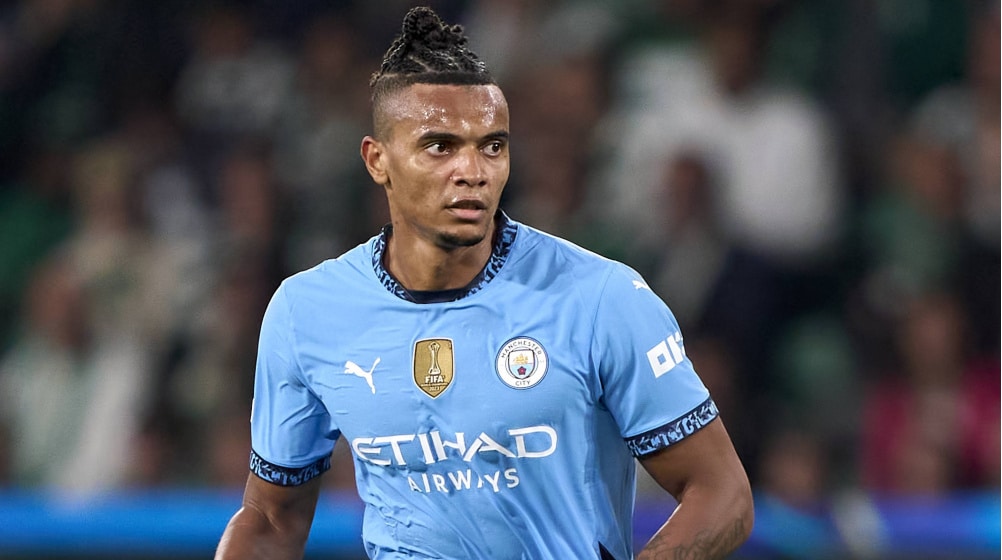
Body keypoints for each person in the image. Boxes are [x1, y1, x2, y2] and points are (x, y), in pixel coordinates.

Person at [215, 7, 753, 560]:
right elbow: (270, 519)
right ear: (378, 160)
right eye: (440, 146)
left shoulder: (599, 298)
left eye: (492, 146)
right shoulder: (307, 311)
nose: (473, 171)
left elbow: (722, 494)